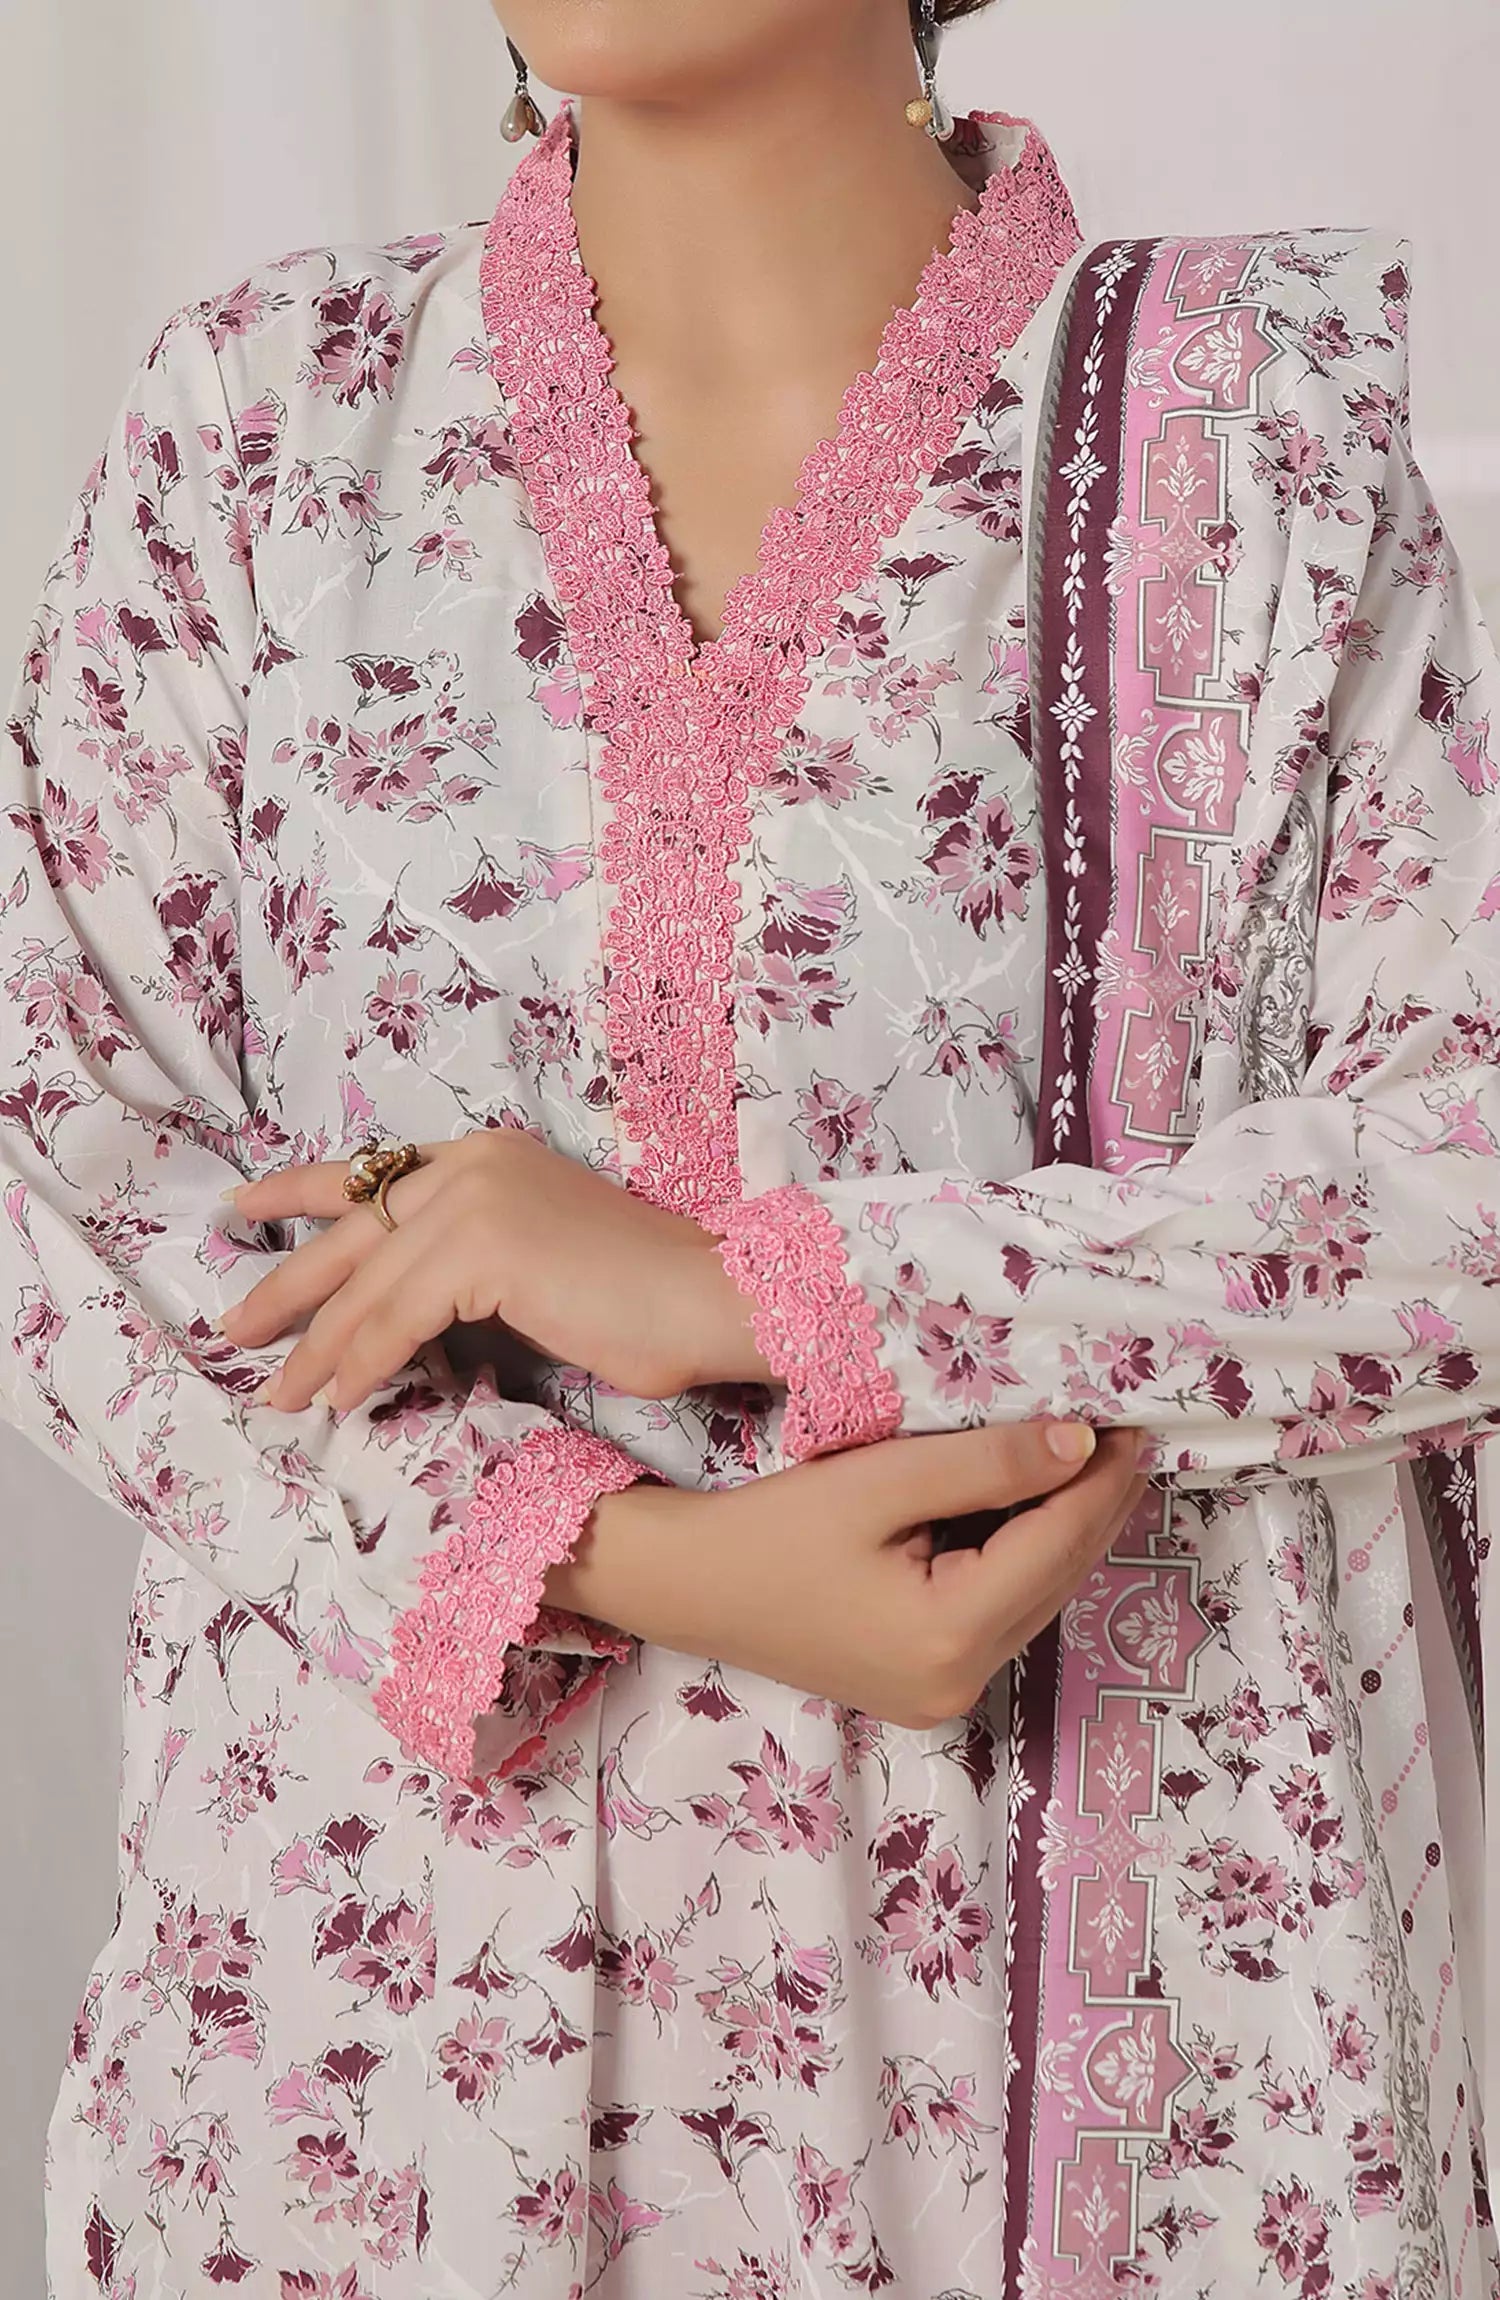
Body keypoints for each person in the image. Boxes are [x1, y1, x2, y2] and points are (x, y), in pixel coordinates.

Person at [4, 0, 1497, 2291]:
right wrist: (632, 1559)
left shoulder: (1251, 435)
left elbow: (1460, 1173)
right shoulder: (263, 430)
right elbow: (54, 1167)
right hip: (393, 2096)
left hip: (1114, 2065)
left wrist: (754, 1288)